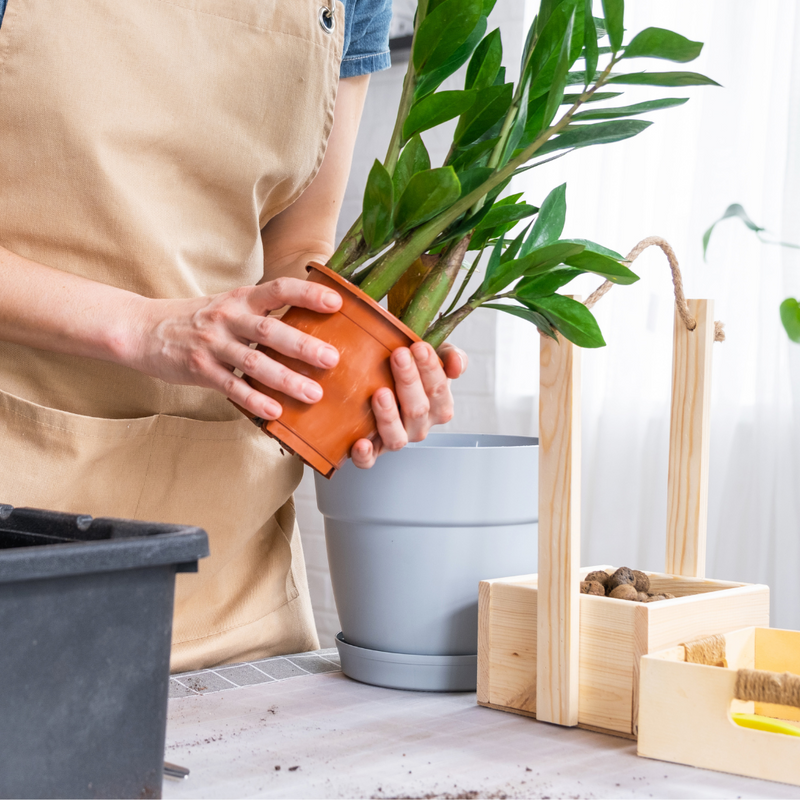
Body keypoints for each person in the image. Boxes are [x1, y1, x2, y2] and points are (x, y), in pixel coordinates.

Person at [0, 0, 466, 672]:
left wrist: (355, 366)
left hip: (230, 571)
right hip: (22, 533)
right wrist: (143, 329)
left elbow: (299, 241)